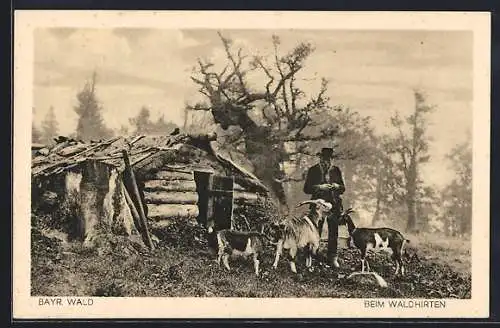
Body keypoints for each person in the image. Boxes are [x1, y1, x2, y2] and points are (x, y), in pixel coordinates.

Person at [303, 147, 345, 268]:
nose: (326, 162)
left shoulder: (336, 170)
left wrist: (337, 186)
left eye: (329, 159)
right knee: (315, 231)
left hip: (334, 206)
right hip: (317, 206)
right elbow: (306, 189)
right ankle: (312, 256)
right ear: (320, 158)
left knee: (334, 233)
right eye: (324, 159)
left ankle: (332, 258)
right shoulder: (313, 170)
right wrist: (319, 187)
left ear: (332, 160)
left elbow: (343, 189)